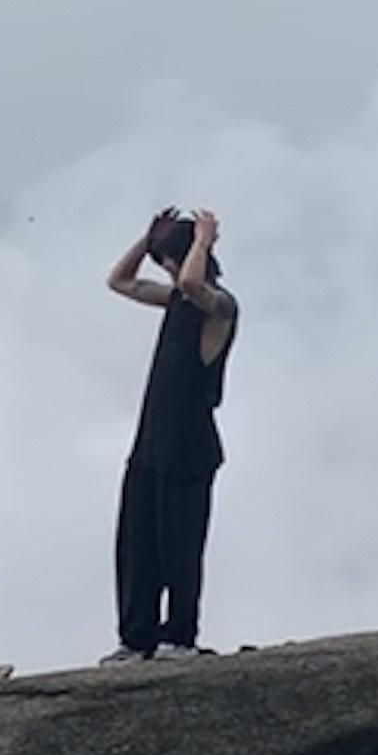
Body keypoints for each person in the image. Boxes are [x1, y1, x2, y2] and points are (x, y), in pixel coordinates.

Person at [102, 205, 235, 662]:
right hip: (150, 444)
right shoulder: (176, 302)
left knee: (180, 545)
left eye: (168, 260)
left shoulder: (221, 306)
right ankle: (136, 639)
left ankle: (178, 637)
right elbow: (121, 282)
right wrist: (145, 239)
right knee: (138, 545)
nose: (170, 271)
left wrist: (204, 240)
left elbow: (193, 284)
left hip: (188, 447)